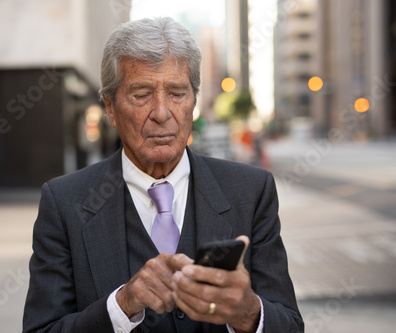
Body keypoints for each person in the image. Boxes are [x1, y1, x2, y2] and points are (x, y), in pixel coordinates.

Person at [23, 17, 303, 333]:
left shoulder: (252, 192)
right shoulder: (64, 203)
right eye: (141, 94)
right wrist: (122, 305)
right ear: (110, 108)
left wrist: (247, 312)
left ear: (194, 101)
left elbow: (290, 326)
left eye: (176, 93)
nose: (161, 113)